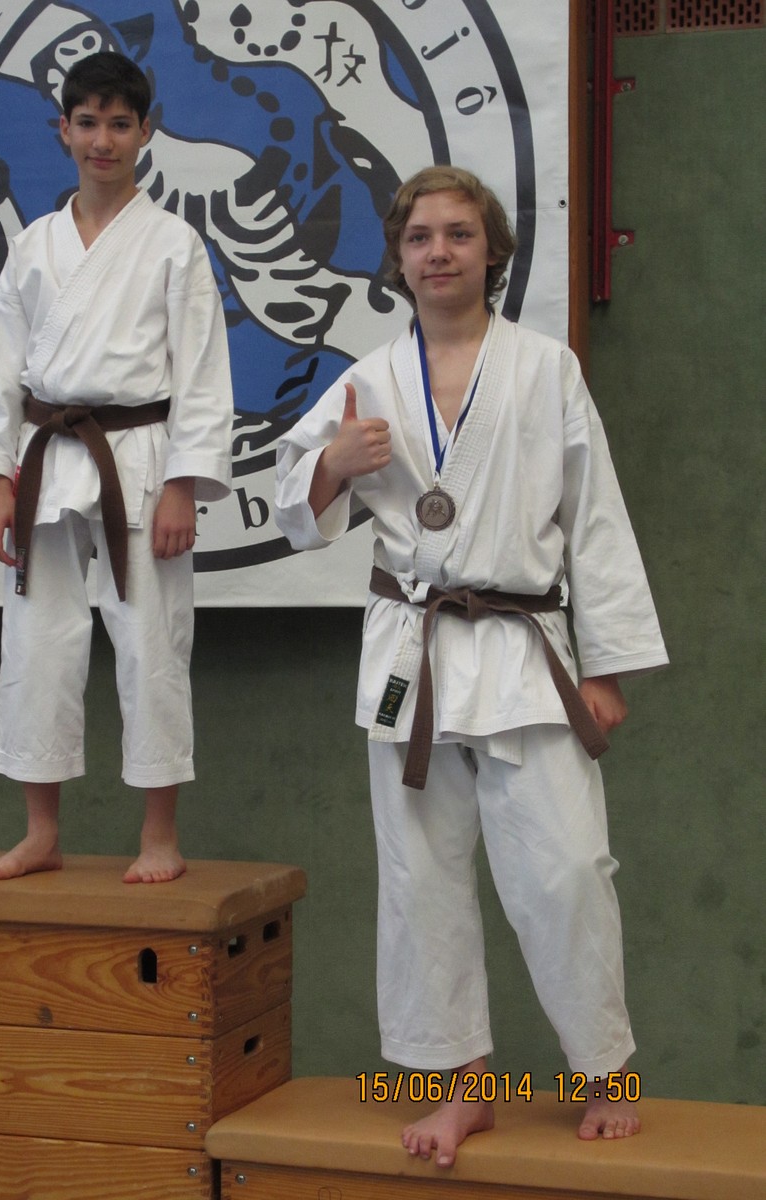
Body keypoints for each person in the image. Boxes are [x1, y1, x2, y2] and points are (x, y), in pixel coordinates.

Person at [274, 166, 668, 1163]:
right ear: (397, 258)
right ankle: (463, 1085)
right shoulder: (368, 379)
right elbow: (293, 510)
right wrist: (333, 465)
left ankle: (605, 1069)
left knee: (566, 869)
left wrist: (606, 666)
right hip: (414, 654)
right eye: (419, 237)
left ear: (491, 250)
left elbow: (596, 517)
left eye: (458, 233)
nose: (438, 251)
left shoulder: (545, 369)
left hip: (524, 648)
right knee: (421, 878)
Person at [0, 51, 234, 884]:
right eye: (87, 123)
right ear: (62, 131)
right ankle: (41, 831)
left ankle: (159, 836)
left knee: (152, 644)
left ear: (146, 132)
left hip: (139, 460)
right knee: (36, 644)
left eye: (119, 124)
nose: (102, 140)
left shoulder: (175, 244)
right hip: (45, 458)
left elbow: (202, 373)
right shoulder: (33, 246)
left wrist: (184, 483)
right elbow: (1, 372)